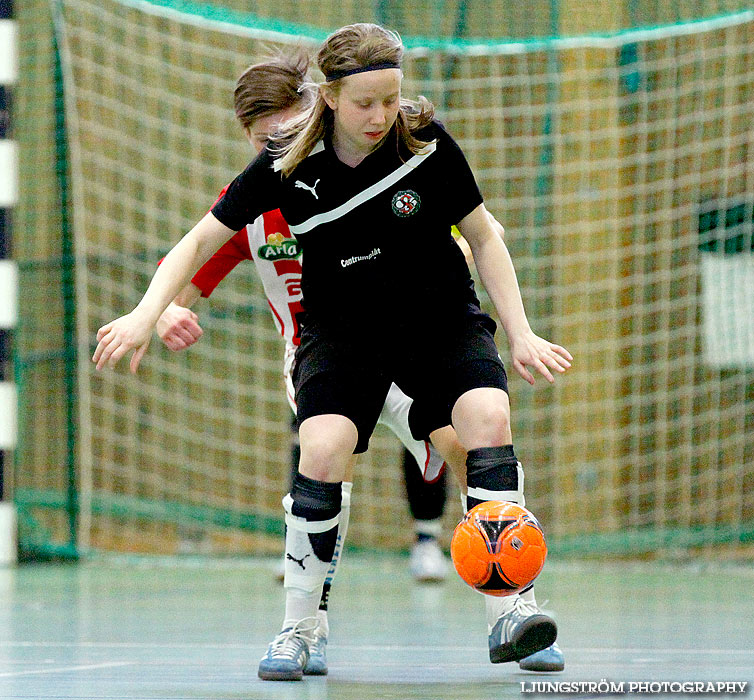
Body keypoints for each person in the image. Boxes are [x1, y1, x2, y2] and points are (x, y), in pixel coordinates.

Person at [92, 23, 572, 681]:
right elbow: (200, 242)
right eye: (364, 103)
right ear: (331, 96)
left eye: (390, 98)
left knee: (487, 423)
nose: (380, 116)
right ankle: (300, 629)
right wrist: (147, 313)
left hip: (440, 325)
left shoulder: (426, 143)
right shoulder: (287, 161)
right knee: (321, 451)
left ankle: (514, 614)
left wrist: (520, 333)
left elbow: (486, 237)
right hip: (342, 335)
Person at [155, 54, 451, 586]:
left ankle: (455, 551)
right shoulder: (249, 207)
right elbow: (190, 270)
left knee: (466, 435)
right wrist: (166, 311)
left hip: (401, 338)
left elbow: (463, 241)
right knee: (321, 448)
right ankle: (308, 577)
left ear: (318, 112)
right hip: (315, 352)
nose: (280, 151)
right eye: (265, 141)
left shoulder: (373, 176)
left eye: (290, 134)